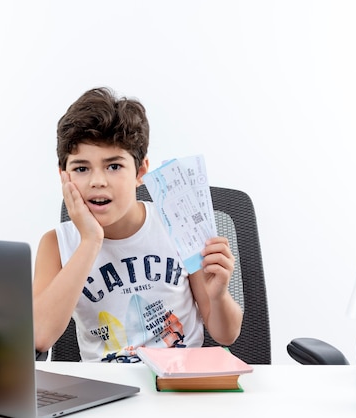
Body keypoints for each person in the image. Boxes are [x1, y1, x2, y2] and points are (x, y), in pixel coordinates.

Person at [32, 87, 242, 362]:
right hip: (108, 389)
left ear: (141, 171)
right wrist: (91, 240)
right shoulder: (56, 244)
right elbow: (39, 337)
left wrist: (218, 296)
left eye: (114, 166)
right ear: (64, 176)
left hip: (180, 384)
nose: (98, 181)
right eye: (81, 168)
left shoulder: (176, 224)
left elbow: (226, 335)